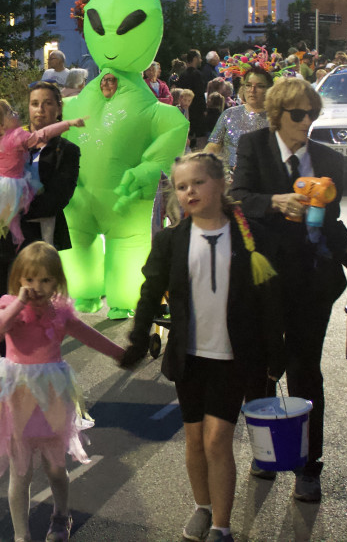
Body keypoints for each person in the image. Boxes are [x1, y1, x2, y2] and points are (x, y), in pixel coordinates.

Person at [231, 78, 347, 502]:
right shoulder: (253, 146)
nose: (307, 122)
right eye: (298, 114)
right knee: (261, 368)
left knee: (304, 371)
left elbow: (333, 227)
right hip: (262, 282)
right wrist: (275, 201)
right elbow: (237, 197)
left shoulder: (327, 158)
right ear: (277, 114)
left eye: (312, 113)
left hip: (312, 284)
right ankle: (265, 453)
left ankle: (308, 466)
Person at [123, 152, 280, 542]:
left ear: (221, 183)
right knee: (194, 439)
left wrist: (277, 351)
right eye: (181, 186)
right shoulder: (172, 241)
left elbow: (271, 299)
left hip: (233, 358)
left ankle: (221, 526)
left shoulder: (250, 237)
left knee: (216, 439)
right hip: (189, 357)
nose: (188, 191)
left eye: (198, 183)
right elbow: (150, 292)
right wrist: (139, 337)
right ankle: (203, 507)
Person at [0, 241, 123, 542]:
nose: (36, 286)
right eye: (29, 279)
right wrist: (18, 304)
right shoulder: (9, 308)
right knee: (20, 472)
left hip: (51, 396)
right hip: (16, 397)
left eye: (45, 280)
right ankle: (21, 535)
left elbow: (90, 336)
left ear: (57, 282)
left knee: (55, 467)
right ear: (18, 280)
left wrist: (121, 354)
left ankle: (60, 515)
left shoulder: (61, 313)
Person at [0, 81, 80, 358]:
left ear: (58, 109)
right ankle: (10, 374)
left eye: (47, 103)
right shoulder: (3, 139)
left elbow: (58, 198)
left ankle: (35, 378)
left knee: (30, 320)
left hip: (32, 245)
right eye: (35, 104)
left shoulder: (65, 151)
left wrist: (9, 208)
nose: (40, 110)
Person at [0, 99, 84, 245]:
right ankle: (47, 245)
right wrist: (67, 124)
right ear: (1, 125)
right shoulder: (18, 137)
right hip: (12, 185)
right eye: (10, 112)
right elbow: (42, 134)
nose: (16, 113)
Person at [204, 67, 272, 170]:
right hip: (230, 179)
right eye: (248, 85)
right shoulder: (229, 114)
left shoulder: (276, 117)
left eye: (260, 86)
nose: (252, 90)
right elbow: (213, 147)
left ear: (269, 89)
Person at [176, 50, 207, 146]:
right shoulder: (197, 74)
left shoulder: (182, 75)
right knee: (197, 138)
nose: (201, 60)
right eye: (199, 58)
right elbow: (200, 93)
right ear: (195, 59)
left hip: (184, 108)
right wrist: (204, 109)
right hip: (196, 110)